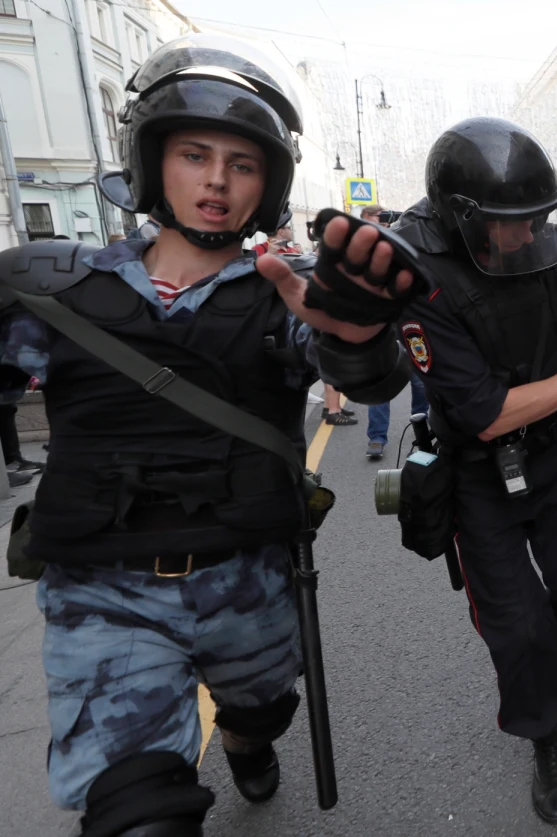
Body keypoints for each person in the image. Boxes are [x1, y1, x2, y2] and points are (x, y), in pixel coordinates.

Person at [0, 34, 416, 836]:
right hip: (102, 595)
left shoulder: (284, 293)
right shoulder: (58, 291)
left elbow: (367, 377)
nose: (217, 180)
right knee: (137, 811)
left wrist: (360, 334)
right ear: (153, 161)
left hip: (247, 583)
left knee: (261, 712)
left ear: (268, 184)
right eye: (195, 155)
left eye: (242, 164)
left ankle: (248, 741)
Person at [390, 117, 557, 824]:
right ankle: (545, 738)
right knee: (517, 630)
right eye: (513, 222)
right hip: (479, 473)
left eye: (539, 217)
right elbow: (485, 415)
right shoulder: (424, 281)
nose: (529, 232)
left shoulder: (547, 249)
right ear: (463, 217)